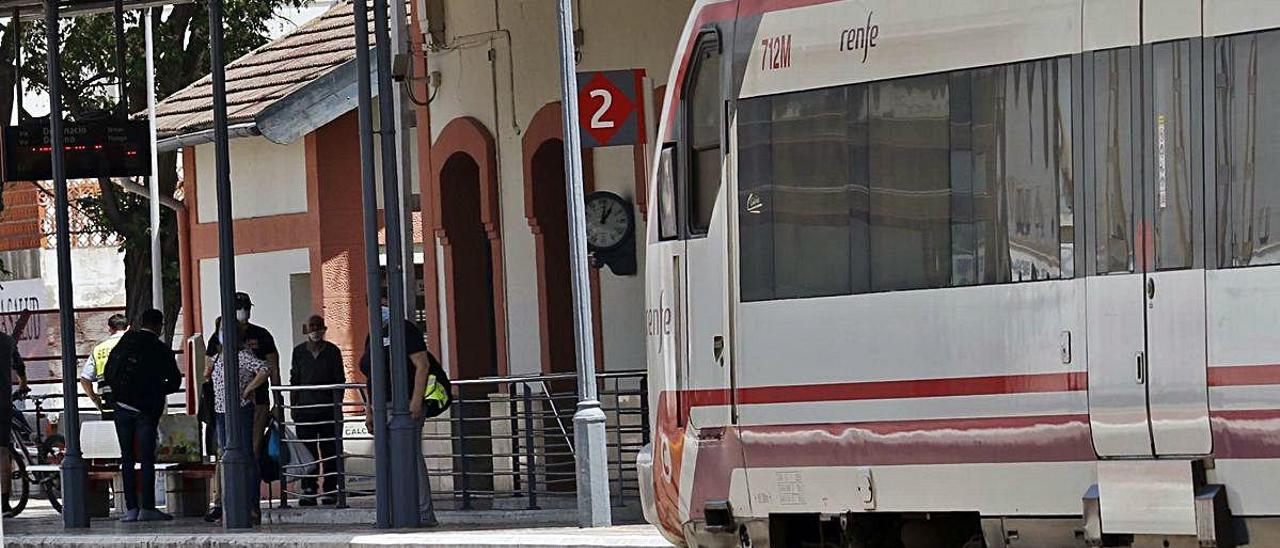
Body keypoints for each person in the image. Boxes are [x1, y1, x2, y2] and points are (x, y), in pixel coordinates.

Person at [359, 297, 442, 527]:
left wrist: (416, 401)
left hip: (405, 403)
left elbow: (422, 365)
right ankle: (388, 512)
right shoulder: (372, 335)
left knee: (410, 455)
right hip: (381, 404)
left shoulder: (405, 330)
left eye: (382, 302)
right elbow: (370, 376)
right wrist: (369, 410)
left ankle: (424, 513)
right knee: (384, 458)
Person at [102, 308, 183, 522]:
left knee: (127, 458)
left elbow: (109, 371)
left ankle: (131, 509)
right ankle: (147, 507)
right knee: (147, 458)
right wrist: (156, 390)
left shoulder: (125, 343)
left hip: (121, 407)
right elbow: (175, 381)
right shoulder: (160, 349)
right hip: (146, 409)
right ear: (159, 325)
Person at [209, 319, 271, 525]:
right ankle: (229, 505)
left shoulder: (242, 355)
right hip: (220, 411)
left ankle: (250, 505)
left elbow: (265, 369)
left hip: (240, 410)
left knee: (245, 455)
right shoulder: (218, 356)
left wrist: (249, 388)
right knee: (226, 455)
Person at [205, 292, 279, 458]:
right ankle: (228, 484)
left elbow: (272, 368)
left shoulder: (261, 335)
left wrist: (277, 401)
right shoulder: (217, 338)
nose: (244, 311)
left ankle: (249, 482)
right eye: (240, 307)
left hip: (256, 399)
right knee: (225, 451)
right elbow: (207, 369)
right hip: (223, 405)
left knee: (252, 448)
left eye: (247, 307)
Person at [289, 314, 345, 506]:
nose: (315, 330)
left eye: (318, 326)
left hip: (328, 411)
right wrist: (293, 408)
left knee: (331, 451)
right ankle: (309, 488)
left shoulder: (332, 351)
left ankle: (331, 489)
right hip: (305, 410)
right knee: (307, 452)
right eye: (311, 326)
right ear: (306, 329)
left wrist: (338, 408)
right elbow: (294, 381)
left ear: (324, 329)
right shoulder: (299, 352)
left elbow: (340, 381)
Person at [80, 313, 128, 418]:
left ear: (109, 329)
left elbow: (85, 379)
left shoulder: (99, 349)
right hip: (133, 402)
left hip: (109, 402)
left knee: (111, 432)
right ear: (128, 328)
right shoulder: (134, 345)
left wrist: (95, 399)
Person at [0, 327, 27, 503]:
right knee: (3, 452)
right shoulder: (7, 341)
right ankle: (5, 503)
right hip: (3, 402)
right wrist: (23, 384)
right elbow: (19, 366)